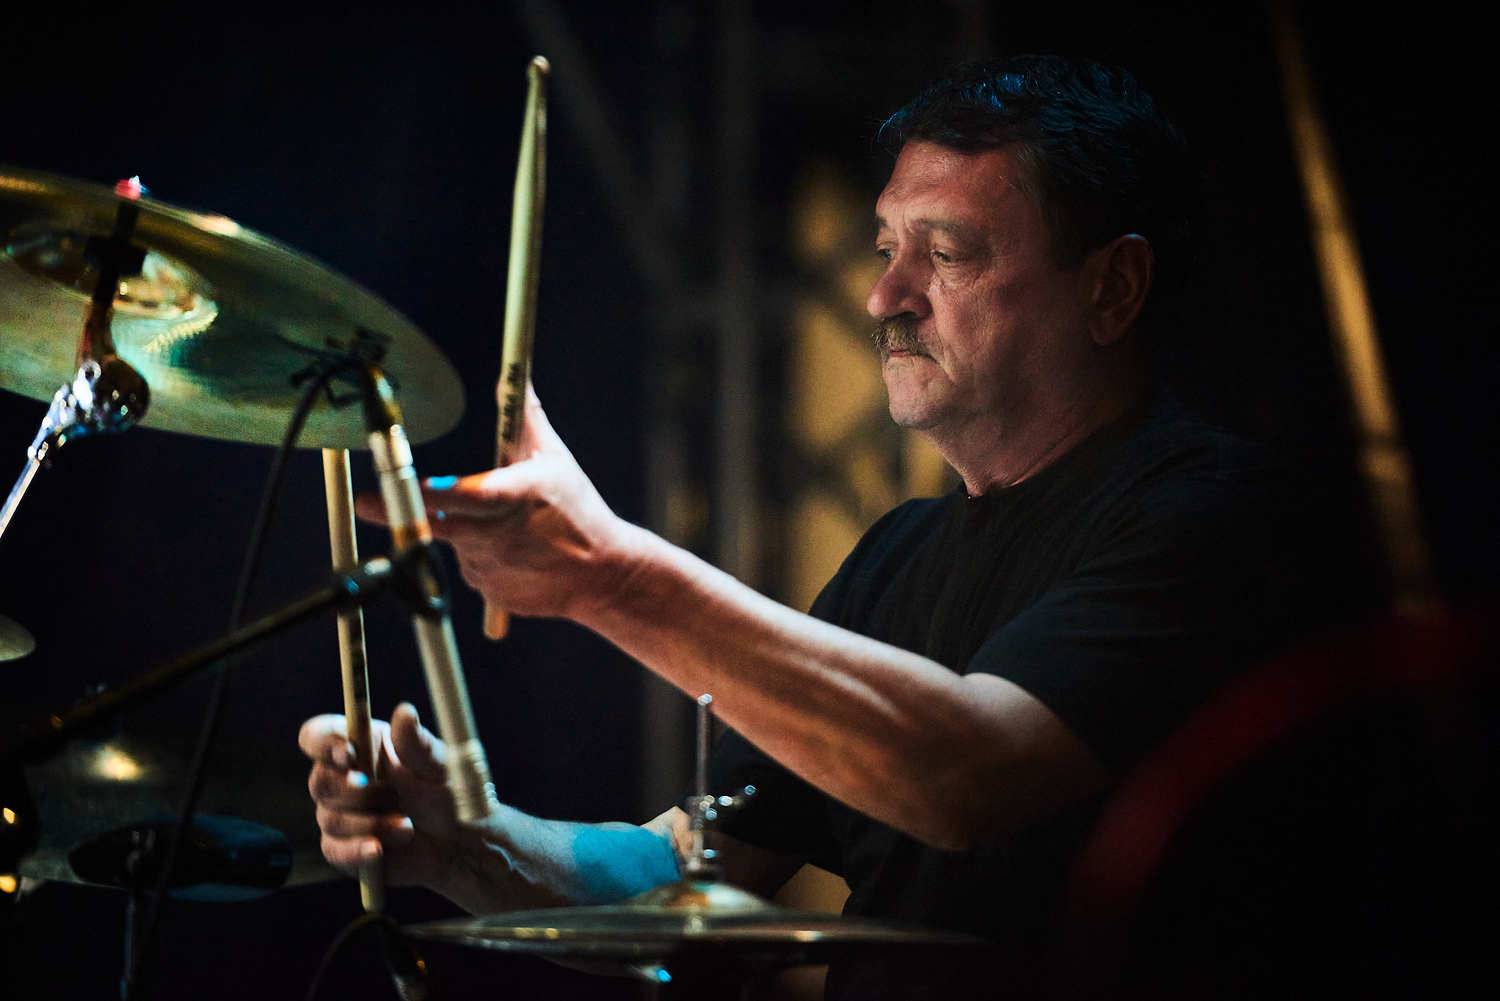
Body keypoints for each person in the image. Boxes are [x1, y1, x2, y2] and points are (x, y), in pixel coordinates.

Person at [301, 56, 1306, 998]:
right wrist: (469, 840)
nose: (883, 296)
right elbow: (680, 873)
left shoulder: (1215, 513)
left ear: (1112, 287)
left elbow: (968, 774)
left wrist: (609, 573)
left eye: (945, 252)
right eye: (886, 248)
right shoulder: (897, 556)